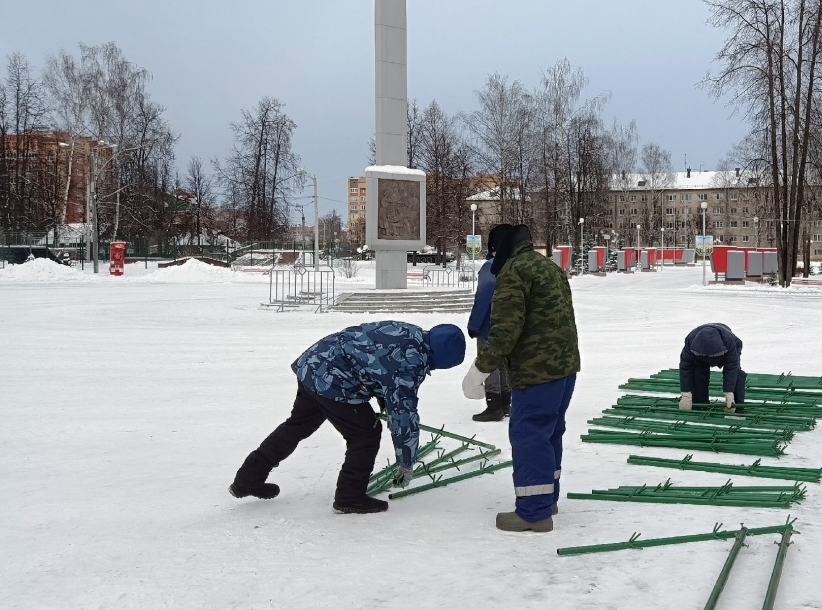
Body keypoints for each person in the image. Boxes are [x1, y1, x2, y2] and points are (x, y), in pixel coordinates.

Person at [230, 321, 466, 514]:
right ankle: (349, 496)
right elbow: (403, 415)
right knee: (366, 434)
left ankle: (248, 479)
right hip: (334, 381)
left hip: (314, 363)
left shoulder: (409, 332)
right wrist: (406, 462)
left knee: (296, 427)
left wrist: (385, 401)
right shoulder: (410, 364)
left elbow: (378, 367)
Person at [475, 224, 580, 533]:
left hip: (537, 371)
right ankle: (547, 499)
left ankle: (534, 512)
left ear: (498, 249)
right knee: (549, 433)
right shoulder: (548, 266)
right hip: (564, 368)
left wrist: (481, 369)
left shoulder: (514, 271)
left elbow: (505, 330)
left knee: (529, 435)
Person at [468, 225, 512, 422]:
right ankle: (505, 404)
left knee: (489, 363)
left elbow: (483, 297)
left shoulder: (490, 267)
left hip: (488, 325)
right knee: (504, 362)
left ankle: (494, 406)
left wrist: (474, 325)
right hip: (508, 324)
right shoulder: (513, 265)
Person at [678, 323, 746, 412]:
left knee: (736, 373)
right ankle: (700, 404)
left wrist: (729, 393)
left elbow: (731, 368)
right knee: (698, 373)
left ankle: (736, 406)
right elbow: (686, 368)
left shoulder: (729, 342)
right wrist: (686, 393)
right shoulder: (690, 342)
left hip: (725, 352)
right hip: (700, 356)